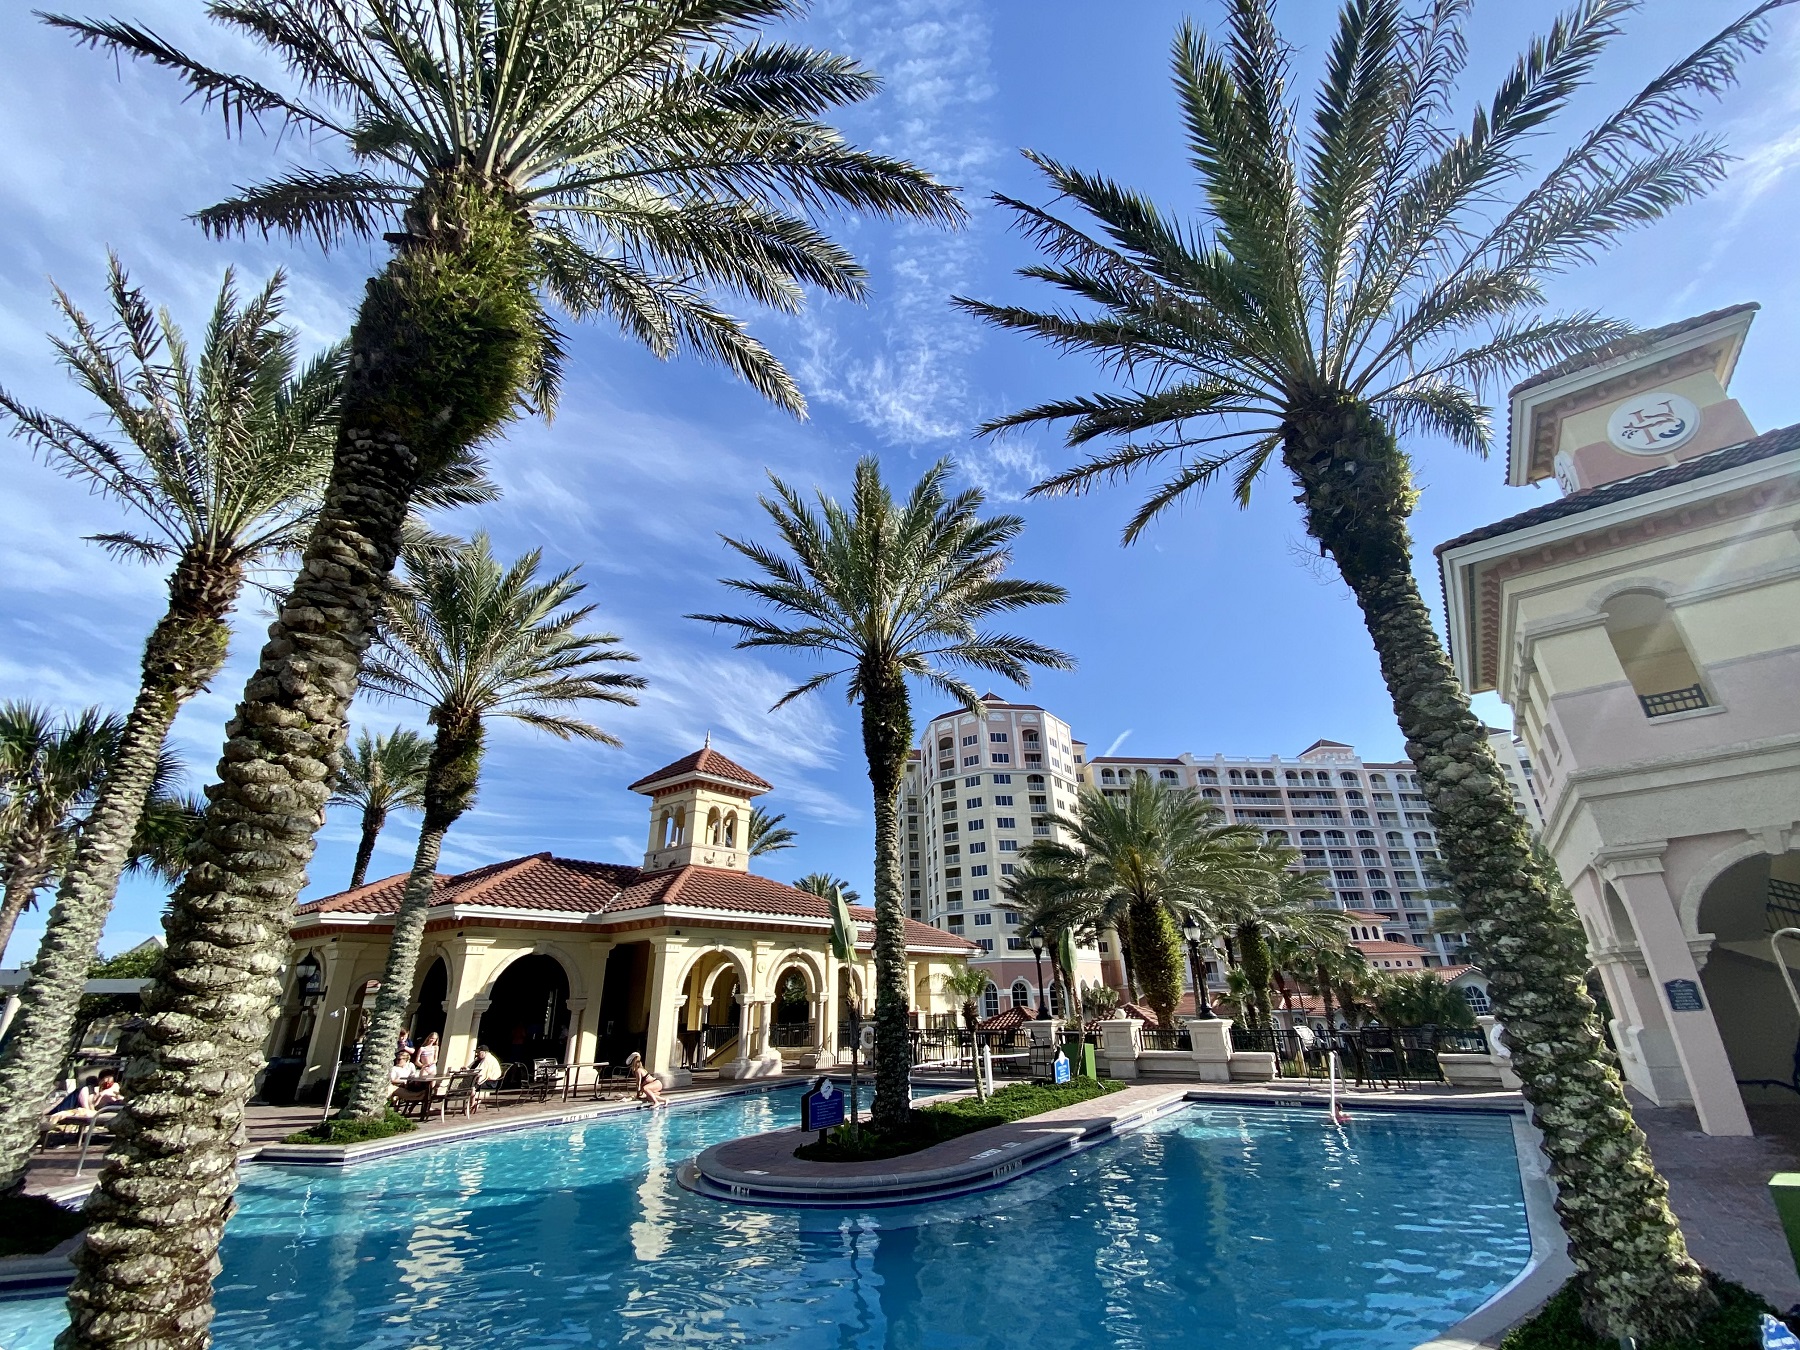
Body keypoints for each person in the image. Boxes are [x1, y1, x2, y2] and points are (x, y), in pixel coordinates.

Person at [467, 1044, 504, 1113]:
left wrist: (469, 1072)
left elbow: (480, 1071)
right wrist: (467, 1068)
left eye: (479, 1052)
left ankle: (473, 1103)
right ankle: (474, 1102)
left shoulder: (487, 1059)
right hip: (485, 1080)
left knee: (471, 1086)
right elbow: (471, 1067)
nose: (477, 1054)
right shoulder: (480, 1059)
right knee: (469, 1085)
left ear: (484, 1052)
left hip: (491, 1082)